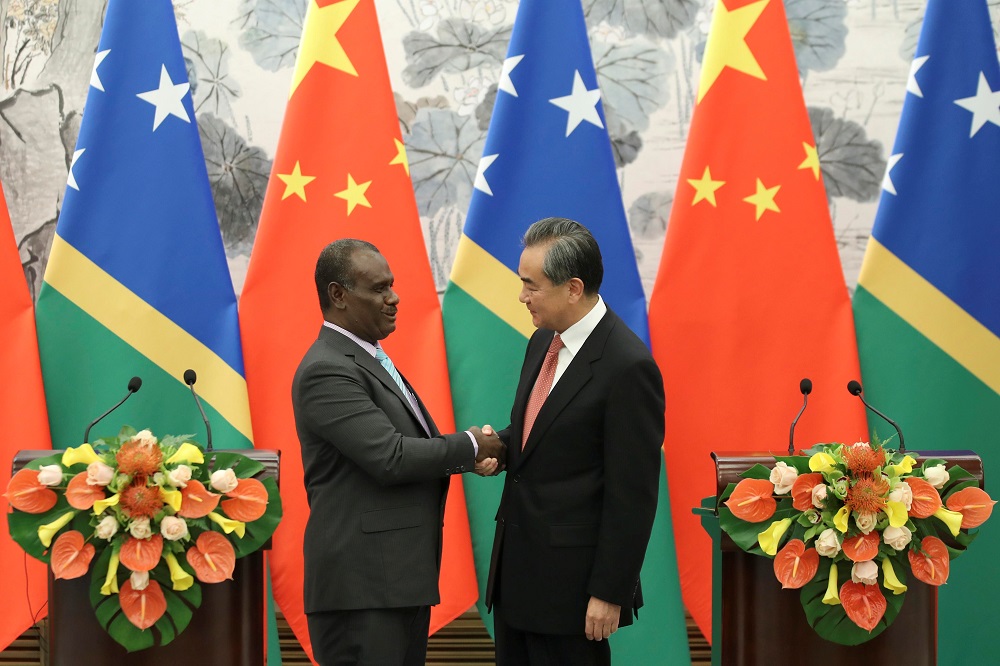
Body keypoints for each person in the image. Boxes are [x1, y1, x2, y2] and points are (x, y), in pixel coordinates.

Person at [292, 238, 505, 666]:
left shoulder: (366, 358)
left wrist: (475, 451)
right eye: (378, 288)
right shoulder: (327, 369)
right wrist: (469, 446)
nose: (394, 298)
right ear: (338, 295)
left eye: (391, 285)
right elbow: (390, 457)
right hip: (362, 592)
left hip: (394, 584)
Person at [485, 218, 664, 666]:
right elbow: (546, 432)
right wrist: (499, 448)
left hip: (573, 595)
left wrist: (609, 592)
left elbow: (633, 495)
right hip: (515, 580)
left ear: (573, 288)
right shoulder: (542, 341)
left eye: (531, 285)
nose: (522, 296)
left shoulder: (628, 366)